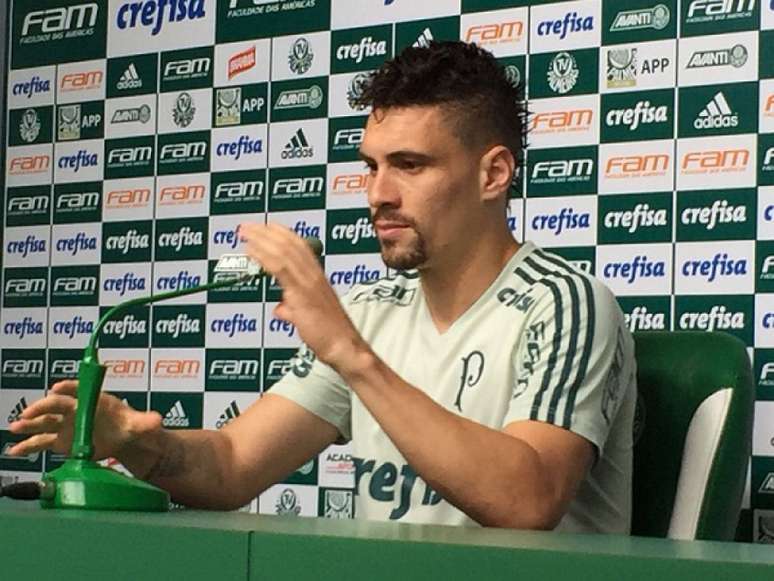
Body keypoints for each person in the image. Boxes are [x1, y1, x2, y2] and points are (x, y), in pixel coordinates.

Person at [8, 41, 636, 533]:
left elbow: (527, 501)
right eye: (372, 165)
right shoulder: (367, 315)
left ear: (493, 173)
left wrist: (350, 355)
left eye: (410, 166)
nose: (378, 194)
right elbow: (230, 468)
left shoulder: (565, 303)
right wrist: (139, 445)